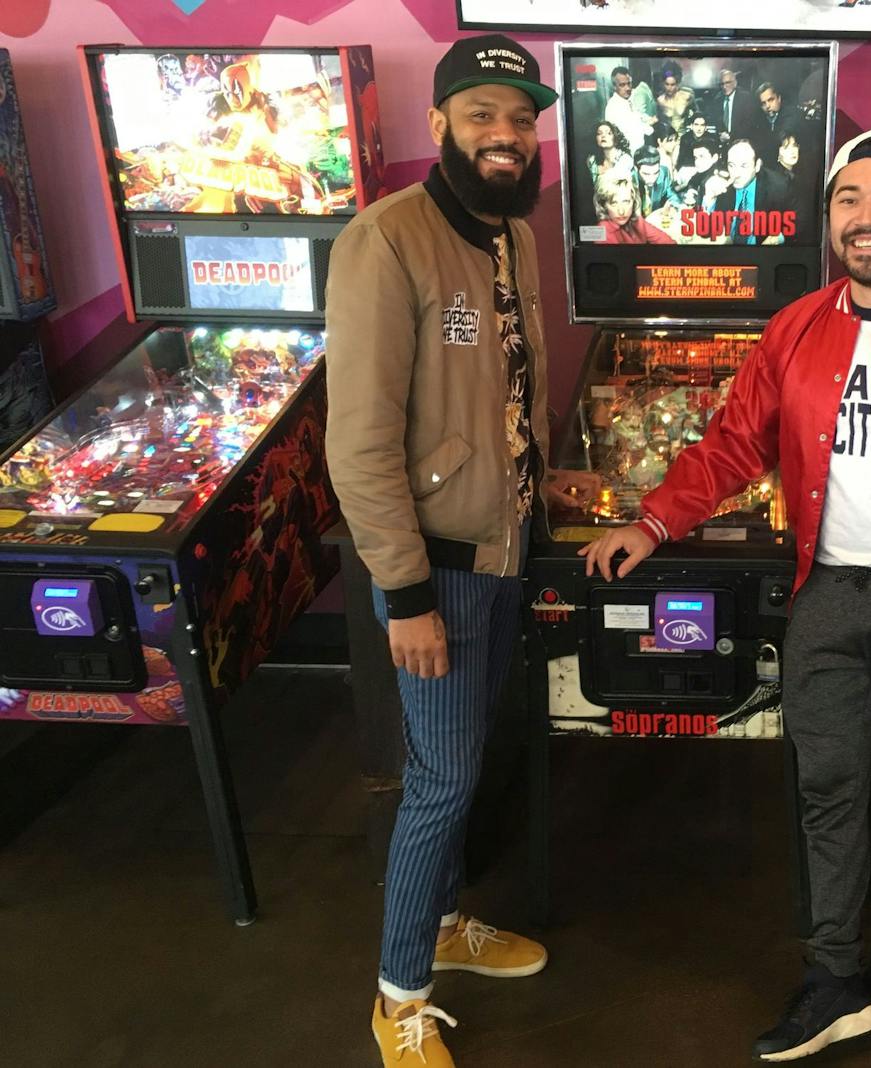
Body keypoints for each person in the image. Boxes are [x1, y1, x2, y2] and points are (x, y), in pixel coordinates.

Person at [580, 130, 871, 1061]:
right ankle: (833, 978)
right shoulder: (797, 328)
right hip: (829, 595)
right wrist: (651, 521)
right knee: (827, 786)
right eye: (849, 198)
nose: (867, 216)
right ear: (829, 217)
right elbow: (730, 446)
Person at [325, 34, 598, 1068]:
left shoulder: (510, 234)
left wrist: (538, 478)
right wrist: (404, 597)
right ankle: (397, 997)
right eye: (483, 114)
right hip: (432, 567)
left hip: (501, 543)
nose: (505, 135)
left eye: (521, 120)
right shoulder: (383, 242)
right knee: (440, 778)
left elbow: (499, 395)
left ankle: (442, 927)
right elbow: (356, 446)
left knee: (468, 755)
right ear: (438, 123)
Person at [700, 138, 790, 245]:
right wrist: (710, 198)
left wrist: (776, 238)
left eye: (744, 165)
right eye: (731, 165)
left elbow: (798, 225)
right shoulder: (722, 184)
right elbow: (705, 232)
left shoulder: (777, 186)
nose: (736, 173)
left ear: (757, 166)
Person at [594, 169, 675, 244]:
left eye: (626, 202)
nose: (621, 211)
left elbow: (667, 241)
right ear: (604, 205)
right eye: (614, 203)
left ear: (634, 200)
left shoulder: (636, 220)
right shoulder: (602, 235)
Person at [605, 64, 653, 152]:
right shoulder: (613, 107)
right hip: (626, 154)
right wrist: (650, 126)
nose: (627, 88)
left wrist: (649, 121)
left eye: (629, 83)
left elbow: (638, 118)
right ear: (614, 87)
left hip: (639, 151)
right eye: (622, 85)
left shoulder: (630, 99)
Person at [716, 67, 758, 142]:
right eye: (722, 84)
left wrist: (731, 137)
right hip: (722, 143)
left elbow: (749, 124)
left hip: (741, 143)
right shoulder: (718, 100)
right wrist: (720, 135)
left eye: (728, 82)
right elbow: (716, 121)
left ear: (735, 83)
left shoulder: (746, 98)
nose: (724, 86)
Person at [655, 64, 695, 134]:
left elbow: (696, 115)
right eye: (667, 84)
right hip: (668, 138)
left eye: (672, 84)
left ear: (677, 84)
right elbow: (659, 122)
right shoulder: (660, 100)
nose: (669, 88)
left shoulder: (687, 96)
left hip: (685, 137)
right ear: (663, 84)